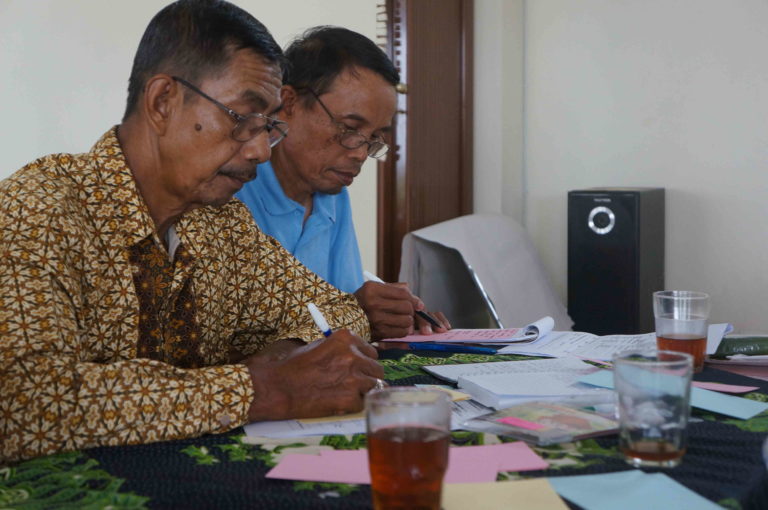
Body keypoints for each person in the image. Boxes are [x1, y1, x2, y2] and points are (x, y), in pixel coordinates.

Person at [0, 0, 384, 465]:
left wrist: (283, 361)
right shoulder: (38, 210)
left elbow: (337, 310)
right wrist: (261, 390)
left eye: (268, 126)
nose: (262, 151)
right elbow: (22, 404)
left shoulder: (220, 224)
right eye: (242, 118)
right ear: (162, 102)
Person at [236, 27, 449, 340]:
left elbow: (345, 302)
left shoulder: (330, 194)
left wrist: (392, 317)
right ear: (288, 103)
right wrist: (353, 313)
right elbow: (233, 335)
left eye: (374, 138)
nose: (360, 153)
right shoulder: (232, 189)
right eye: (349, 128)